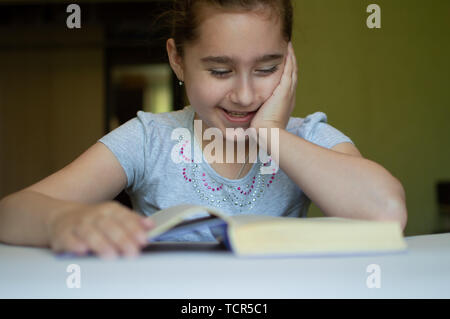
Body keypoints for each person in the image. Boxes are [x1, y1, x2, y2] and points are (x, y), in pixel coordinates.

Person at [0, 0, 407, 259]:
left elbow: (387, 213)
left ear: (289, 59)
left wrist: (272, 136)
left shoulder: (306, 138)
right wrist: (62, 219)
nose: (246, 95)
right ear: (178, 60)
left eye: (267, 68)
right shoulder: (148, 140)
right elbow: (10, 213)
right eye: (219, 70)